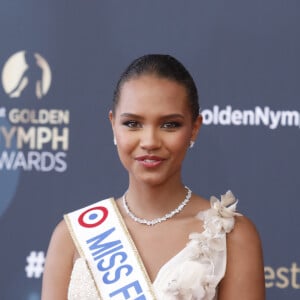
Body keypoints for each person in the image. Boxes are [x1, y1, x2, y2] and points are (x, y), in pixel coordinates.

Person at [41, 54, 265, 300]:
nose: (149, 142)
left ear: (195, 128)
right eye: (132, 123)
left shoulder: (231, 235)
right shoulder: (71, 237)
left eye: (169, 125)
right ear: (113, 125)